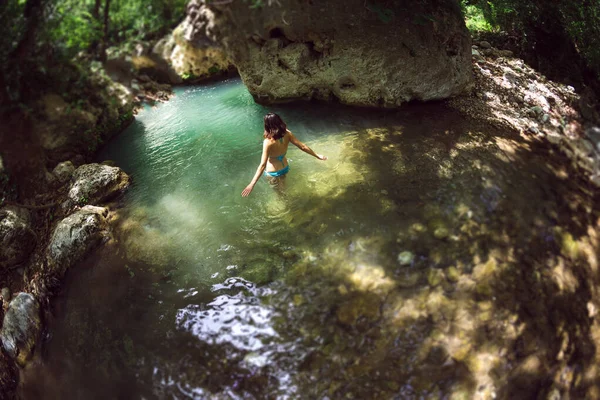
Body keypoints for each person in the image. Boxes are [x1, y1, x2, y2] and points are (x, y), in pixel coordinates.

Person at [241, 113, 327, 197]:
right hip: (284, 168)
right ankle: (287, 198)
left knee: (279, 194)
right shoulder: (287, 133)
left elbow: (262, 165)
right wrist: (317, 155)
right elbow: (303, 147)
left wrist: (252, 184)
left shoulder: (268, 142)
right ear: (279, 121)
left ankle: (285, 203)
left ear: (267, 125)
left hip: (273, 172)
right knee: (283, 188)